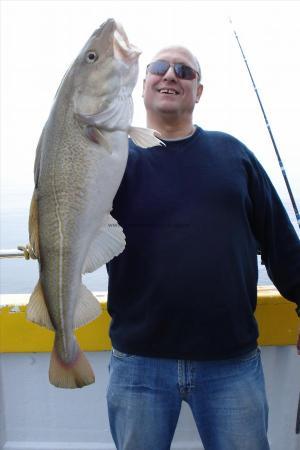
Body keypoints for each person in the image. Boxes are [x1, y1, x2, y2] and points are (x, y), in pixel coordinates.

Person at [106, 45, 300, 450]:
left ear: (199, 91)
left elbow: (281, 242)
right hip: (138, 362)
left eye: (185, 71)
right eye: (159, 68)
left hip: (231, 362)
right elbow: (69, 217)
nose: (171, 75)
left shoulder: (233, 154)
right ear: (143, 86)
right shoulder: (111, 159)